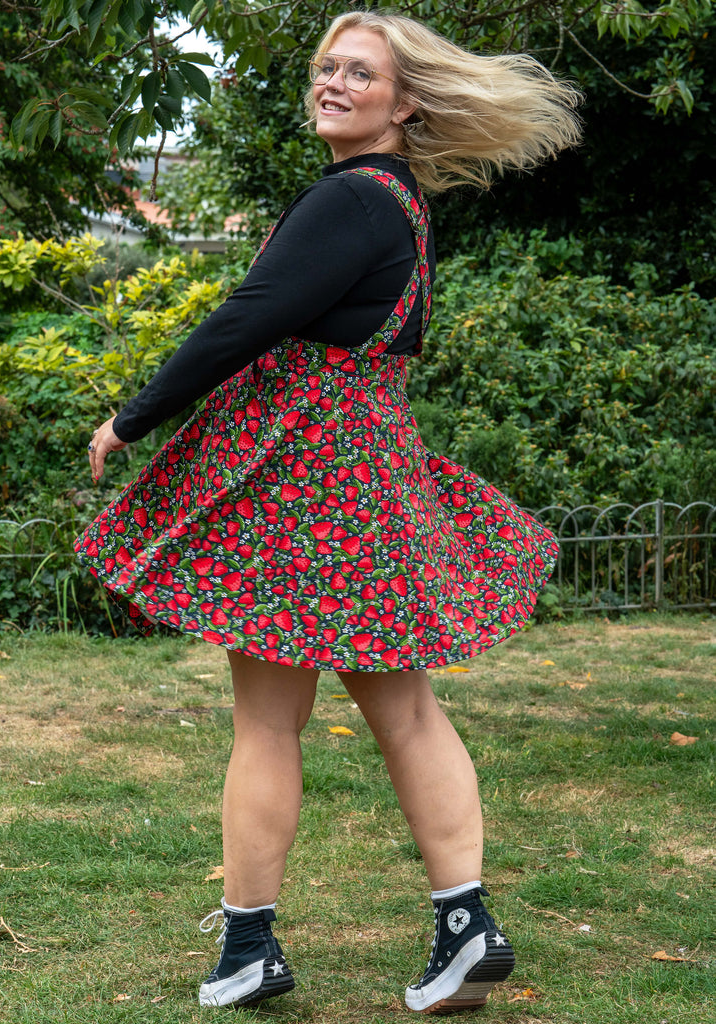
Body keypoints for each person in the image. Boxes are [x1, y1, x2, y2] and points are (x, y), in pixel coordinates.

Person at [76, 9, 582, 1014]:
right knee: (407, 711)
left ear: (405, 104)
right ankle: (465, 925)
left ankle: (250, 945)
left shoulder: (351, 196)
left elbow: (250, 316)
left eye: (359, 72)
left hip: (306, 485)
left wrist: (134, 418)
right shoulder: (399, 203)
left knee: (269, 720)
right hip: (372, 475)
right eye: (325, 67)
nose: (332, 83)